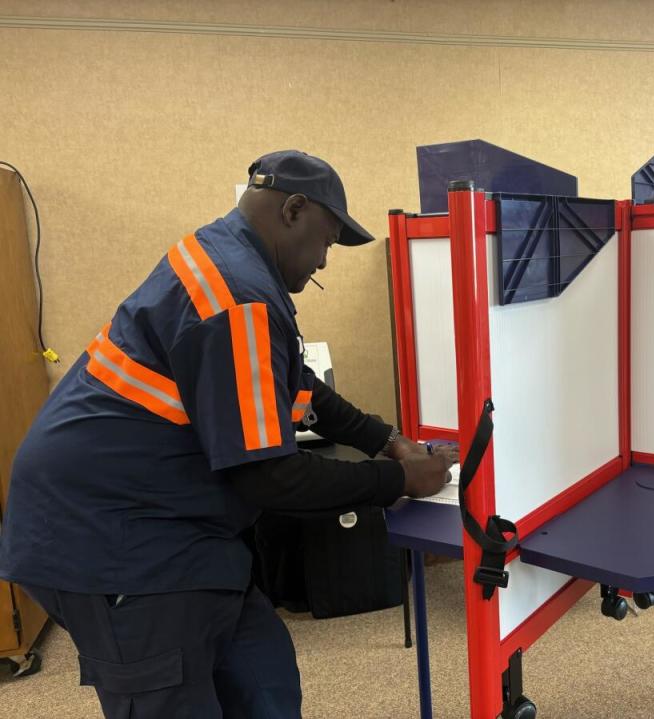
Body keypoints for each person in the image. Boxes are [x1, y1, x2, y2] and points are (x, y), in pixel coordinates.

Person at [0, 150, 456, 718]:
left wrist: (385, 437)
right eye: (326, 241)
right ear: (293, 209)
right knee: (174, 700)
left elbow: (296, 383)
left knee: (264, 685)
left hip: (182, 527)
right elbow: (270, 477)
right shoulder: (235, 294)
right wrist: (397, 479)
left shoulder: (233, 262)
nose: (323, 262)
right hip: (113, 539)